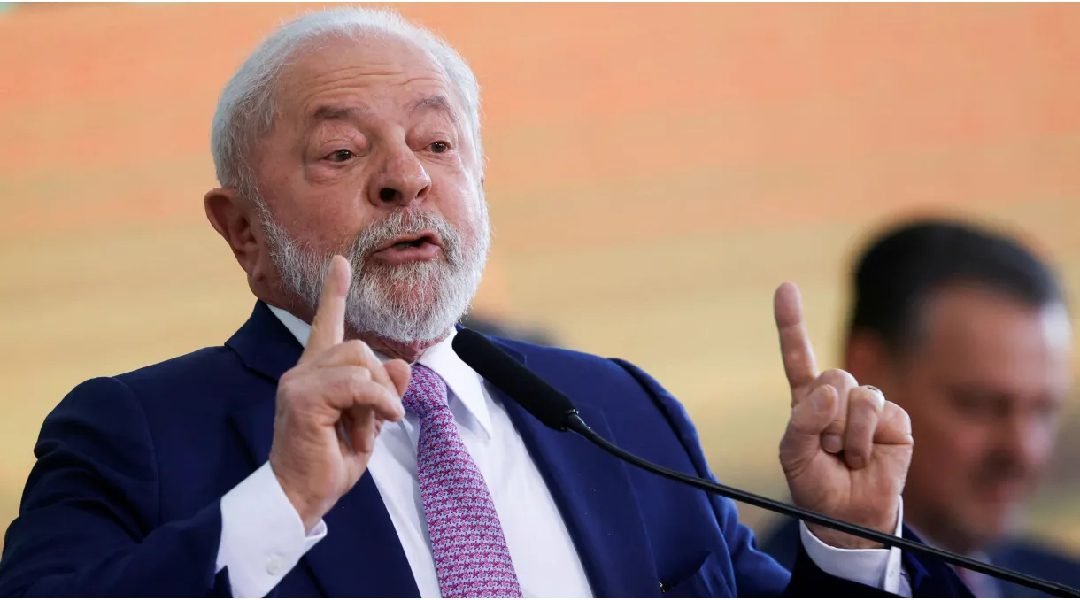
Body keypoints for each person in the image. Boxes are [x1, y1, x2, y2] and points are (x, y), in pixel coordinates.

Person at [0, 8, 968, 597]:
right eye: (342, 152)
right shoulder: (134, 435)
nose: (406, 179)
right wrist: (281, 501)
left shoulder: (619, 411)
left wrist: (849, 549)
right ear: (243, 229)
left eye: (438, 143)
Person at [759, 218, 1079, 596]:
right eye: (979, 405)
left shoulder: (1063, 582)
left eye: (1043, 410)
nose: (1023, 450)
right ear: (867, 374)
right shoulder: (753, 587)